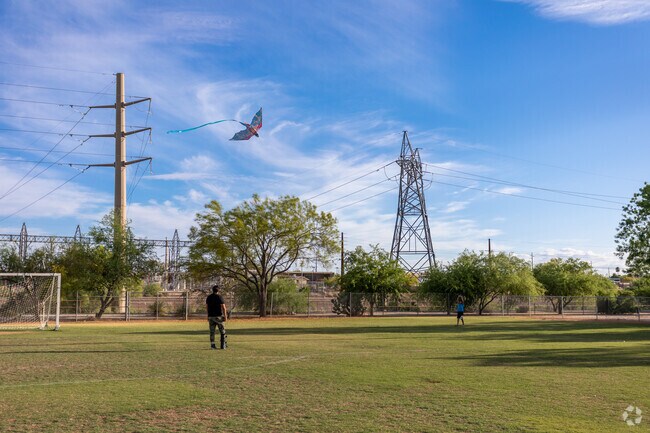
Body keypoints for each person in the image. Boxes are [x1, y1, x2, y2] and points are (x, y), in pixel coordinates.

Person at [206, 285, 228, 349]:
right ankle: (223, 344)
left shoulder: (209, 297)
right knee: (222, 330)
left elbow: (207, 307)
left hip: (211, 317)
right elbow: (223, 307)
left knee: (212, 331)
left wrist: (208, 315)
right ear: (218, 290)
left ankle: (212, 345)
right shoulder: (219, 297)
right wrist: (225, 316)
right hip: (218, 317)